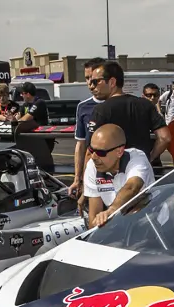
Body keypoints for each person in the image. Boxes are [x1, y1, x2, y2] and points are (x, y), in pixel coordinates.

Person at [89, 60, 170, 163]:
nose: (92, 86)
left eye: (95, 81)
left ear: (112, 82)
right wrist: (149, 158)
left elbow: (91, 149)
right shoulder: (145, 105)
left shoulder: (101, 110)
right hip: (141, 169)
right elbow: (164, 137)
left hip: (113, 172)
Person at [83, 124, 155, 229]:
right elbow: (94, 215)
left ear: (119, 151)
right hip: (123, 227)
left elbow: (132, 187)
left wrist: (111, 210)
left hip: (152, 223)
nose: (94, 157)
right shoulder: (92, 166)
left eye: (100, 152)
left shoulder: (137, 158)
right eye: (91, 150)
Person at [70, 57, 107, 202]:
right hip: (92, 174)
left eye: (93, 79)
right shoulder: (83, 107)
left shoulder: (119, 103)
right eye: (86, 78)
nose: (90, 84)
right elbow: (80, 144)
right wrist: (77, 179)